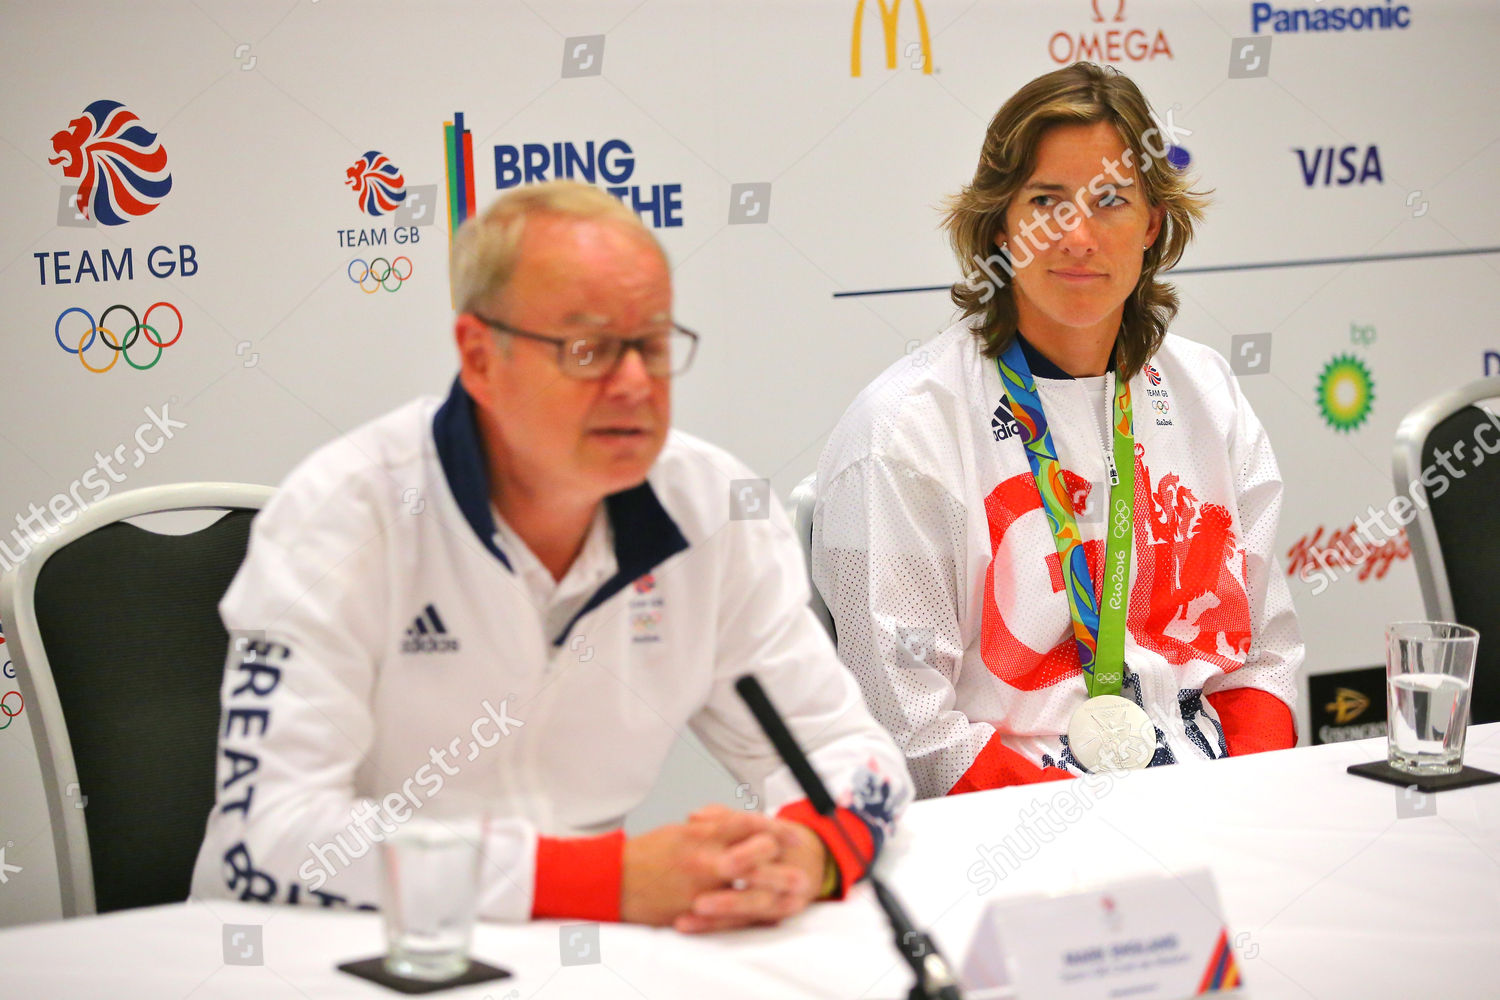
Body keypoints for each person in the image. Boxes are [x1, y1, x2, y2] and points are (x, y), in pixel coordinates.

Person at [191, 181, 911, 932]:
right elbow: (266, 841)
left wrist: (808, 850)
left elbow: (848, 750)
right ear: (479, 357)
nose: (633, 382)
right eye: (588, 347)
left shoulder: (713, 510)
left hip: (569, 947)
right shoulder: (343, 512)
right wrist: (601, 879)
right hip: (316, 950)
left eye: (653, 345)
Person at [811, 62, 1302, 798]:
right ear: (1001, 225)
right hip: (1016, 833)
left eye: (1110, 201)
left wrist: (1250, 806)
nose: (1077, 235)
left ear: (1153, 223)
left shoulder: (1207, 393)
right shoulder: (905, 432)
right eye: (1046, 201)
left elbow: (1262, 656)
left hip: (1219, 799)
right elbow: (911, 731)